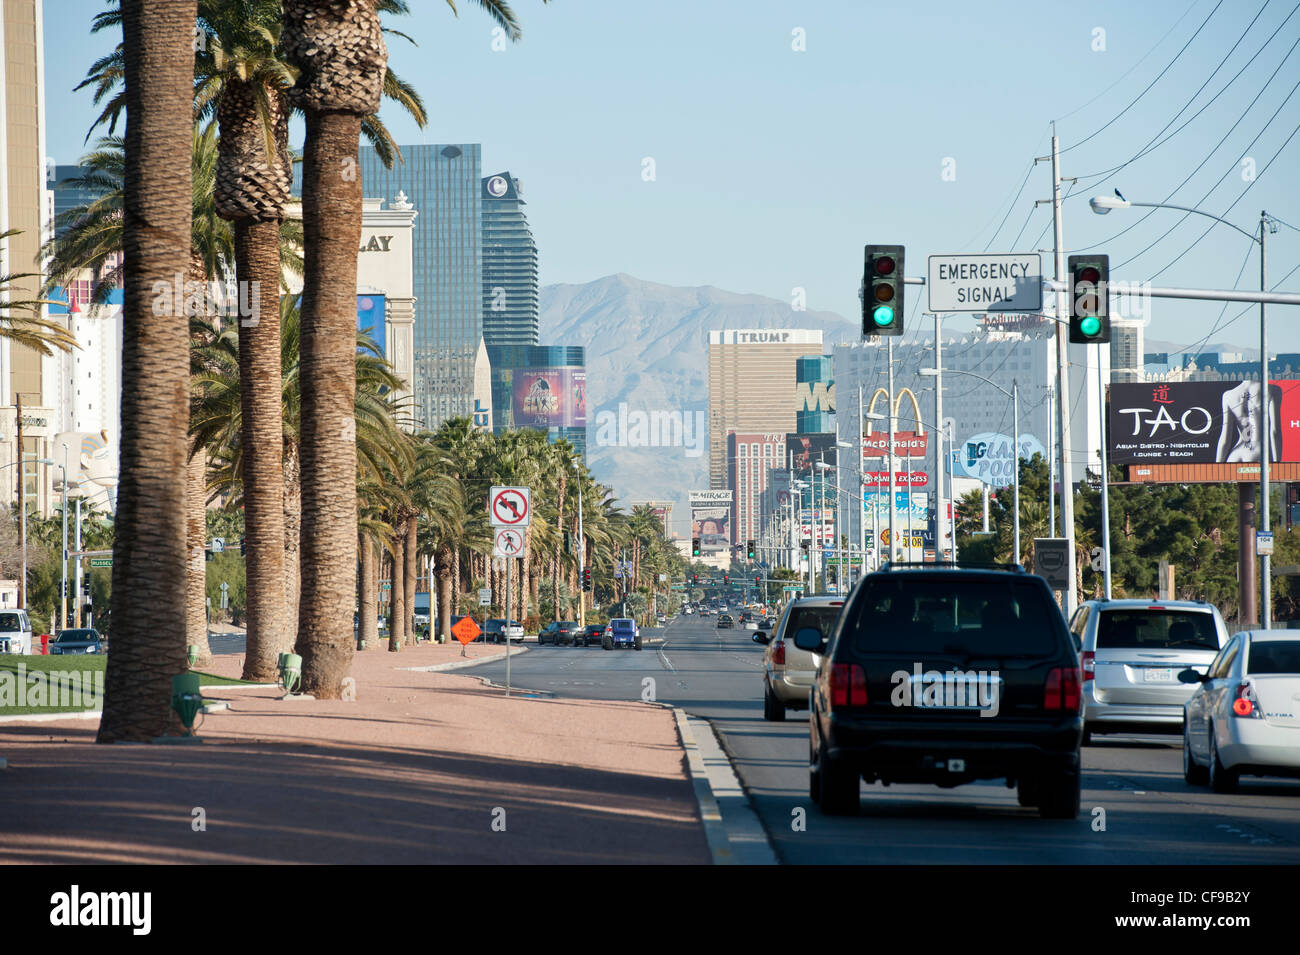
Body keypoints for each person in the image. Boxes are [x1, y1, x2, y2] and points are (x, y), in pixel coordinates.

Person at [1215, 381, 1280, 463]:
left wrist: (1217, 467)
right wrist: (1277, 463)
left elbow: (1225, 440)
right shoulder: (1272, 390)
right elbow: (1275, 432)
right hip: (1259, 452)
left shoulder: (1228, 395)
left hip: (1235, 455)